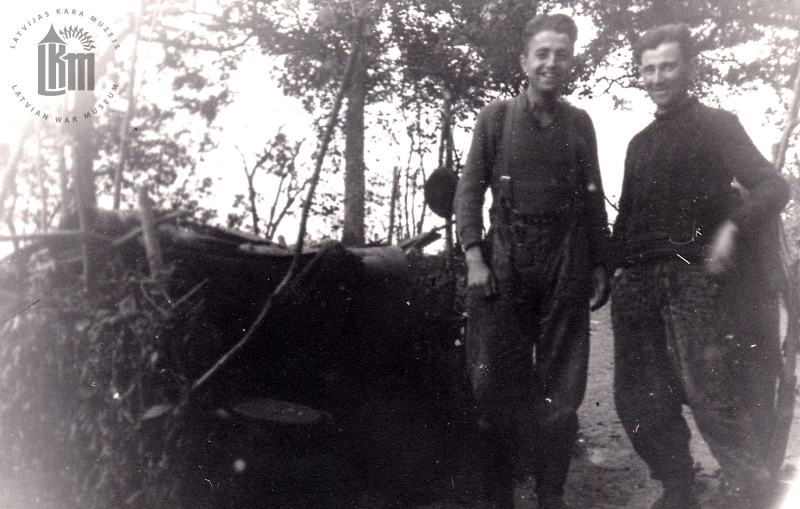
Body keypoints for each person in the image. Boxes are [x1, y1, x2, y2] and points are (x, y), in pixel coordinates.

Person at [610, 23, 790, 509]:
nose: (658, 77)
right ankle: (677, 486)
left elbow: (774, 186)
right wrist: (611, 270)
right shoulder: (638, 144)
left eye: (668, 66)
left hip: (694, 280)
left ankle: (752, 490)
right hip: (637, 285)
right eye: (648, 69)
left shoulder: (718, 124)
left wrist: (731, 228)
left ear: (689, 68)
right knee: (638, 398)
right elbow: (625, 220)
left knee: (714, 398)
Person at [454, 13, 610, 509]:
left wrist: (600, 265)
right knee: (496, 386)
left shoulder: (579, 123)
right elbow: (468, 191)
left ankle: (551, 494)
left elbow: (593, 199)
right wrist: (475, 255)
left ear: (571, 61)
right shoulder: (496, 118)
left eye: (561, 54)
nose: (551, 62)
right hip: (505, 262)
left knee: (563, 389)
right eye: (542, 53)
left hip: (566, 260)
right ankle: (498, 496)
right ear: (524, 61)